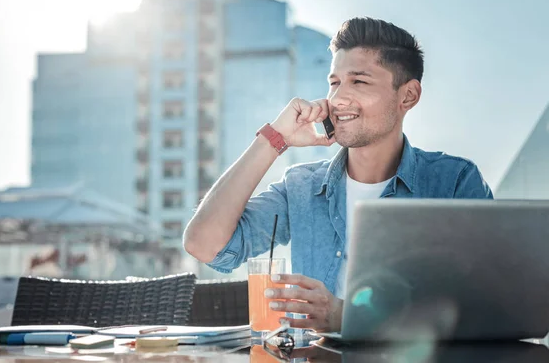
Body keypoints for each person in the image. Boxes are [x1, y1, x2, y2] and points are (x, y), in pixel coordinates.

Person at [183, 17, 493, 333]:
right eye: (334, 82)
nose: (337, 99)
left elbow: (485, 306)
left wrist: (345, 318)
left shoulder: (453, 182)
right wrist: (275, 138)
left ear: (408, 96)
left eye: (359, 81)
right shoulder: (301, 187)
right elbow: (204, 245)